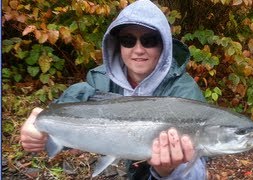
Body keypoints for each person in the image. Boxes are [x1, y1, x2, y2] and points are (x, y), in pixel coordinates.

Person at [20, 0, 206, 179]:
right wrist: (37, 124)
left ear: (164, 45)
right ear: (117, 45)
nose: (138, 49)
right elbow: (58, 118)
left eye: (149, 40)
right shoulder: (98, 84)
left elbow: (198, 171)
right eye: (128, 40)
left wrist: (169, 172)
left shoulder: (186, 95)